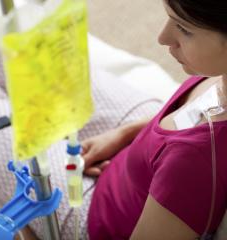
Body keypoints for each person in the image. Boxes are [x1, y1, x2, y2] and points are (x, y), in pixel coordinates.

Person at [81, 0, 227, 239]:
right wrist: (124, 134)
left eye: (185, 29)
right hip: (139, 140)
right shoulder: (219, 75)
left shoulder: (191, 164)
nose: (162, 37)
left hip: (94, 214)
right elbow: (181, 118)